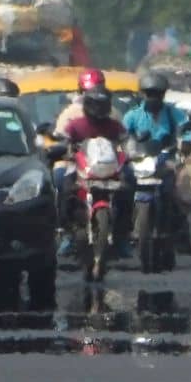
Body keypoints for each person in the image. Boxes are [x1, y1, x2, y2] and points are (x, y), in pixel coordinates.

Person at [123, 73, 191, 253]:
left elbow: (186, 132)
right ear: (142, 94)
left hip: (164, 159)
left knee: (174, 191)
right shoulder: (133, 115)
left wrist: (186, 142)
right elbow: (122, 136)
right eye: (149, 94)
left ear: (163, 95)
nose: (153, 98)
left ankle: (178, 230)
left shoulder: (173, 113)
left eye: (157, 94)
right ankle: (122, 228)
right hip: (140, 161)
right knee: (122, 190)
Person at [59, 85, 129, 256]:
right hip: (81, 168)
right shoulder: (75, 125)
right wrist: (65, 152)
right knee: (62, 185)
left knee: (129, 187)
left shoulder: (115, 126)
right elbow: (64, 142)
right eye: (94, 104)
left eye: (101, 105)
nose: (97, 109)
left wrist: (129, 155)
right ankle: (66, 233)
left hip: (110, 170)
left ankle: (122, 237)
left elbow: (125, 144)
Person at [54, 68, 116, 134]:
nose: (95, 96)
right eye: (91, 93)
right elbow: (60, 137)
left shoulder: (113, 113)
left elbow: (123, 136)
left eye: (97, 91)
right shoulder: (70, 113)